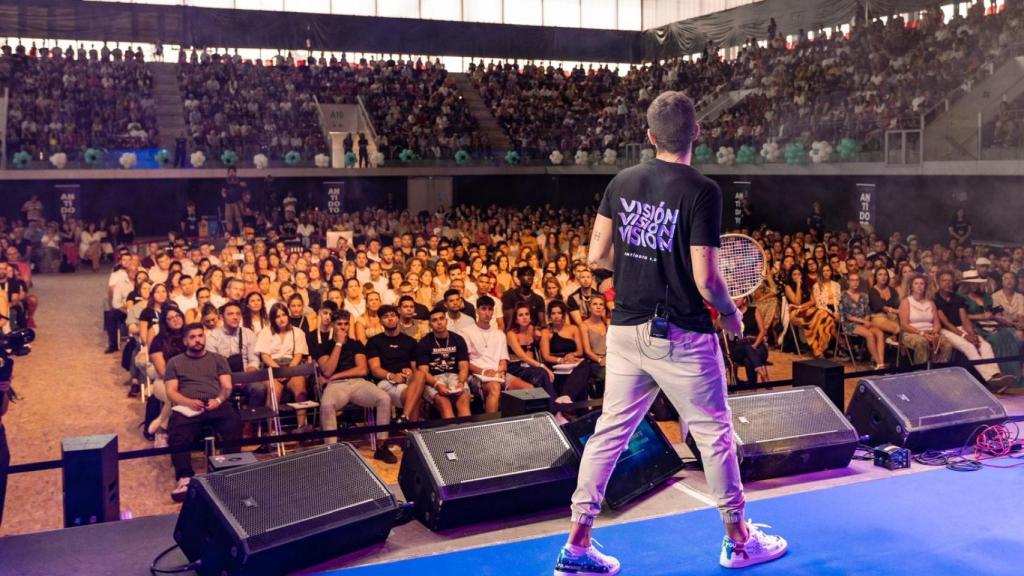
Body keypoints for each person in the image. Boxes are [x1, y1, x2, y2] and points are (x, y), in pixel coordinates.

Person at [555, 92, 786, 576]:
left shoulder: (621, 181)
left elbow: (597, 254)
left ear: (649, 136)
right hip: (681, 333)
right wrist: (729, 315)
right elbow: (706, 279)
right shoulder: (703, 190)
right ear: (696, 133)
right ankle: (739, 539)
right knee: (715, 435)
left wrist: (644, 266)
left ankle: (577, 546)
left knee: (608, 434)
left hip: (625, 330)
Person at [164, 322, 240, 502]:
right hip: (188, 406)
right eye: (192, 337)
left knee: (234, 422)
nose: (197, 340)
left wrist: (219, 400)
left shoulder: (218, 359)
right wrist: (189, 402)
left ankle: (230, 471)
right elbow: (171, 391)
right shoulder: (175, 362)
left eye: (200, 336)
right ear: (185, 341)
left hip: (215, 403)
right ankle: (185, 478)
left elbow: (227, 386)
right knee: (177, 430)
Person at [315, 310, 397, 463]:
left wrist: (333, 376)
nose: (343, 328)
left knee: (384, 398)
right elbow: (327, 370)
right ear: (332, 325)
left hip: (358, 382)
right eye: (339, 324)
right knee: (326, 404)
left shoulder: (356, 344)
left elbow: (362, 369)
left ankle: (381, 446)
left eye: (346, 324)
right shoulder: (323, 346)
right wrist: (338, 344)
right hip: (336, 386)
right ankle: (331, 452)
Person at [934, 270, 1016, 393]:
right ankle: (990, 379)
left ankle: (996, 376)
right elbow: (946, 323)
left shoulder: (957, 298)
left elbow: (964, 319)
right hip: (946, 330)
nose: (948, 283)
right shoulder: (935, 299)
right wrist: (964, 335)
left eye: (950, 280)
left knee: (985, 345)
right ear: (938, 282)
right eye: (944, 281)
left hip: (961, 327)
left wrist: (972, 334)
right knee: (969, 347)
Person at [463, 296, 533, 413]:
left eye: (490, 309)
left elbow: (503, 360)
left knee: (528, 389)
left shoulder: (499, 334)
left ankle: (514, 425)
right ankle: (492, 427)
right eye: (483, 309)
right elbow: (465, 363)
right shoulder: (466, 332)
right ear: (477, 311)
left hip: (497, 374)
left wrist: (501, 371)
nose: (487, 313)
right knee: (494, 387)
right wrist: (484, 372)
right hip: (476, 375)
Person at [366, 305, 424, 421]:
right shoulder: (374, 342)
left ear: (398, 318)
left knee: (420, 375)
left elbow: (414, 368)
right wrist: (392, 376)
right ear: (381, 321)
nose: (390, 318)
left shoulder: (410, 341)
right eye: (386, 317)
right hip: (386, 382)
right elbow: (375, 369)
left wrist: (410, 372)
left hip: (406, 381)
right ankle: (411, 429)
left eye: (393, 315)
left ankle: (404, 416)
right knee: (416, 398)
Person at [414, 306, 471, 419]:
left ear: (446, 321)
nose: (439, 322)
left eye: (441, 319)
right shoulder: (424, 343)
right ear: (430, 324)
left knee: (463, 400)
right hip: (433, 378)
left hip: (455, 376)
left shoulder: (458, 339)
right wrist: (437, 384)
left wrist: (461, 382)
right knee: (444, 403)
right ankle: (451, 436)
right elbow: (423, 372)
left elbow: (464, 366)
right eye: (434, 320)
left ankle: (466, 436)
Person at [898, 274, 952, 366]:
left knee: (947, 345)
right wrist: (922, 333)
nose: (919, 286)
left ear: (925, 286)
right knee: (922, 343)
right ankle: (921, 372)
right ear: (911, 286)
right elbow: (904, 324)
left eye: (922, 284)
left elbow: (937, 323)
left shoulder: (930, 302)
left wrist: (934, 332)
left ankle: (938, 369)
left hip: (930, 332)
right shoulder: (906, 301)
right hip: (912, 333)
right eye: (916, 283)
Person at [839, 272, 886, 369]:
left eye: (857, 280)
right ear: (848, 282)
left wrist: (866, 321)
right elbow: (848, 316)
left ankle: (881, 362)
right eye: (852, 280)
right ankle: (879, 363)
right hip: (850, 324)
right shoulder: (843, 295)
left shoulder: (864, 296)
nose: (855, 283)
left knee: (880, 333)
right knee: (869, 335)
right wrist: (863, 322)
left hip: (864, 322)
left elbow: (868, 312)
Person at [725, 296, 769, 385]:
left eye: (739, 298)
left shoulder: (754, 311)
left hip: (757, 344)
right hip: (739, 347)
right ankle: (763, 374)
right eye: (734, 298)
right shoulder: (731, 314)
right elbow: (729, 335)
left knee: (748, 359)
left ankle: (752, 385)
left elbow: (762, 331)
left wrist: (755, 345)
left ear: (745, 300)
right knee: (747, 348)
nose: (735, 299)